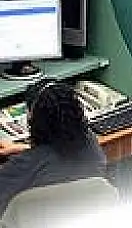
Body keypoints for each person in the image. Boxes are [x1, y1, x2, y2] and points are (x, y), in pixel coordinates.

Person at [0, 80, 109, 215]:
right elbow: (54, 154)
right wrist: (29, 150)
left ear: (33, 120)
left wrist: (29, 155)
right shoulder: (92, 147)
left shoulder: (23, 166)